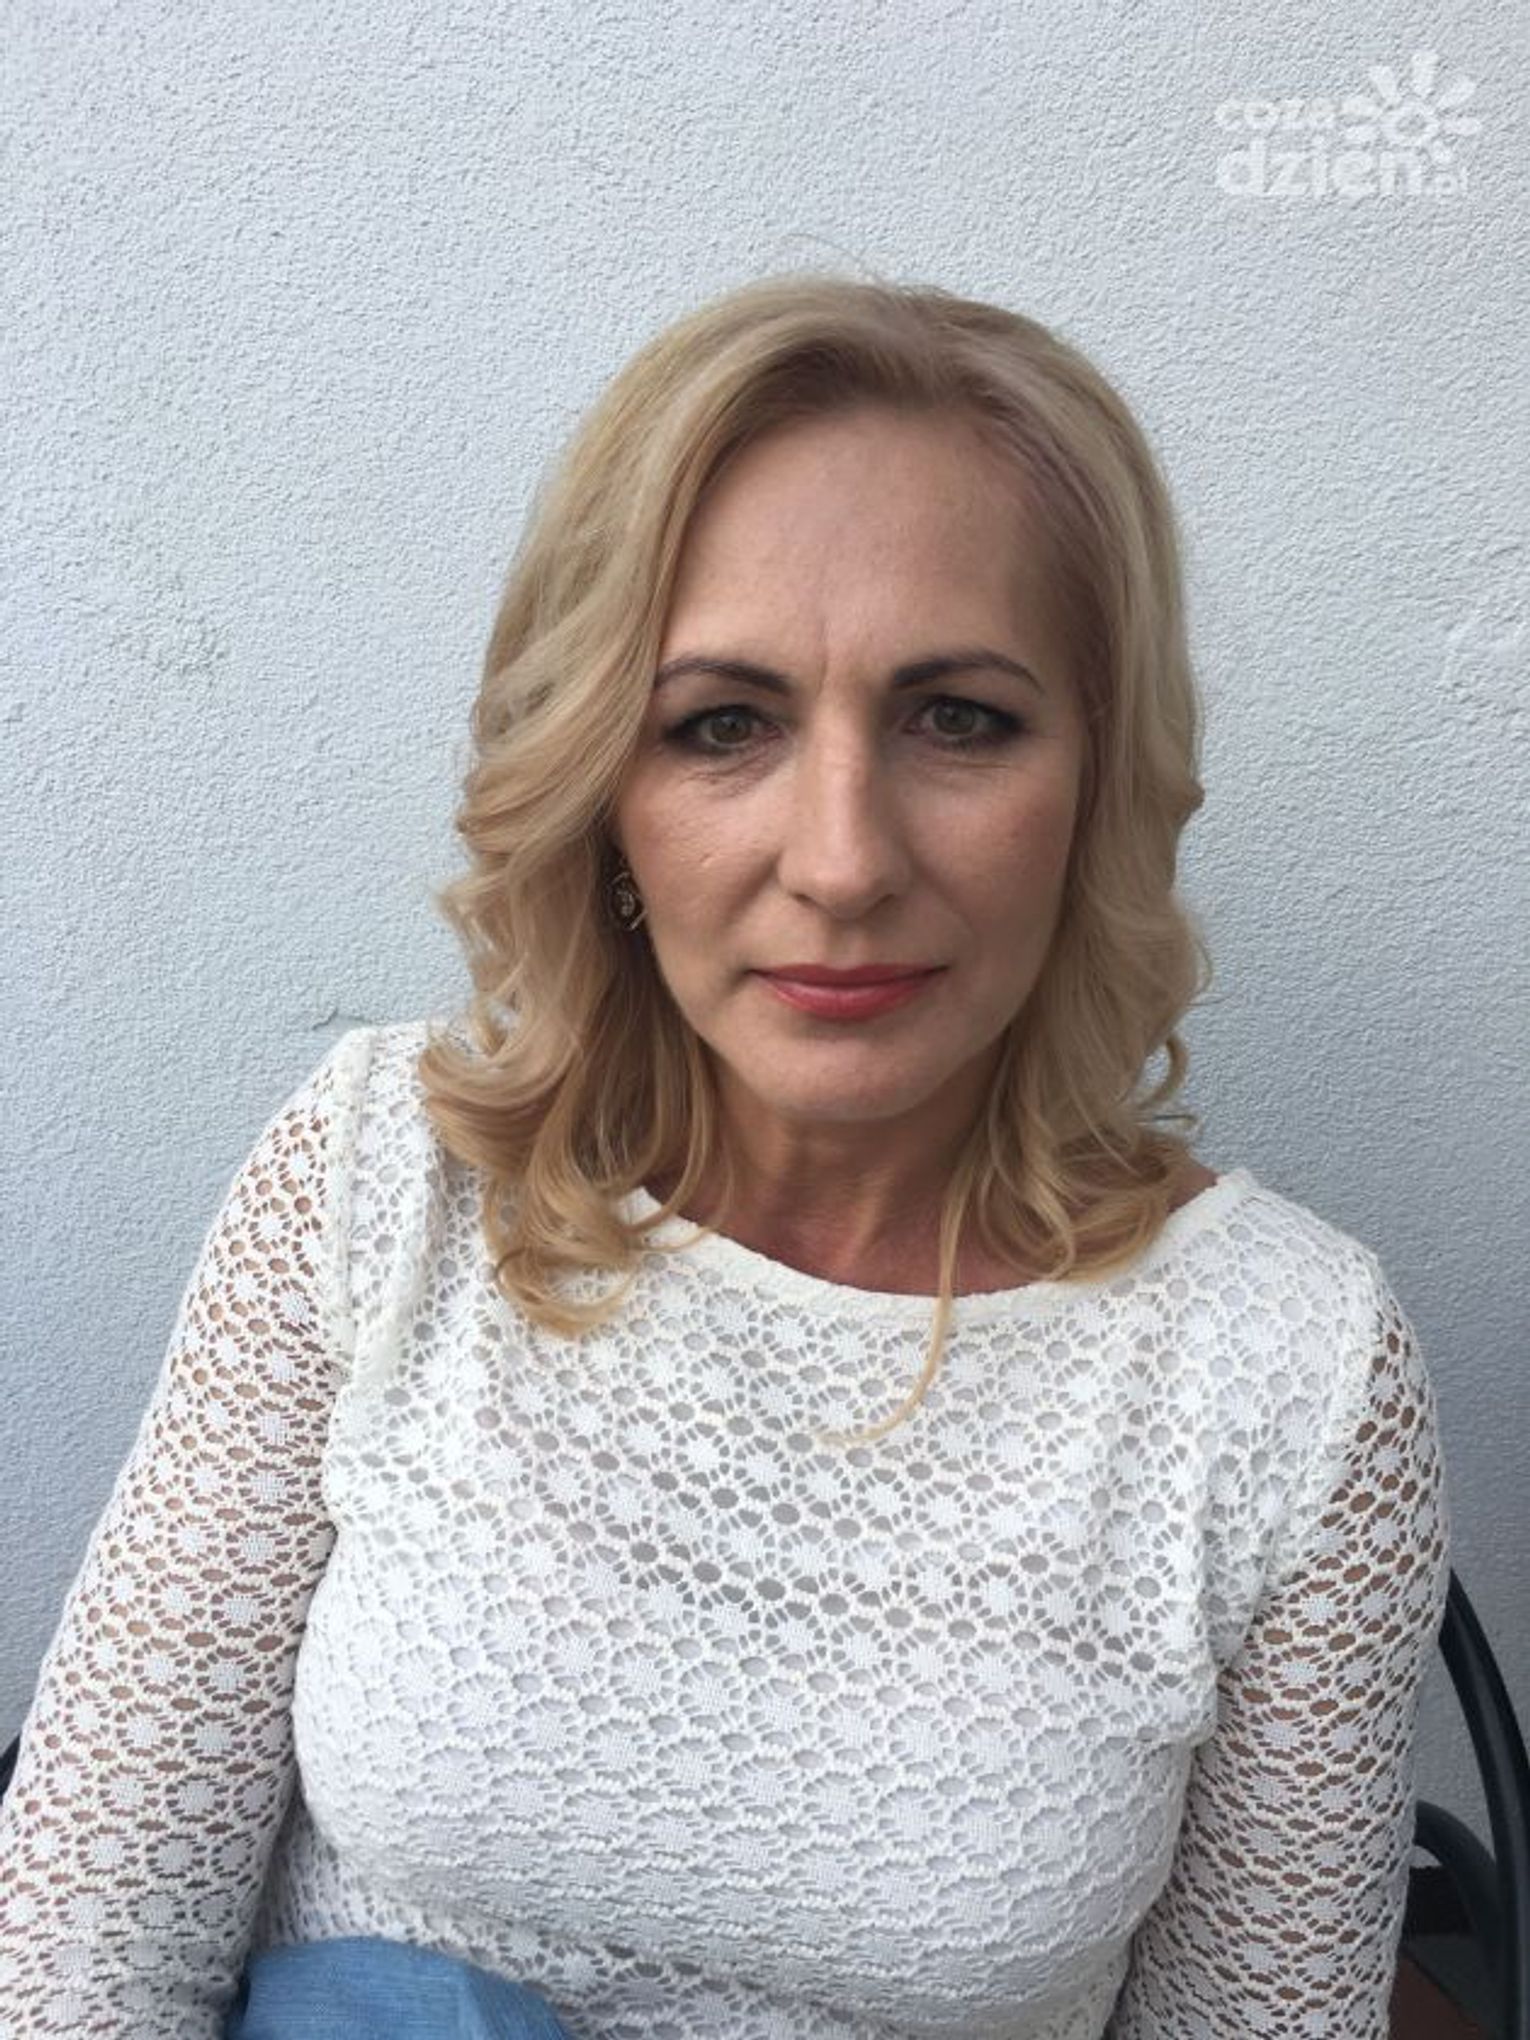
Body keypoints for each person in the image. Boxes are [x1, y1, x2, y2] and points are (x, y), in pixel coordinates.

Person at [0, 271, 1450, 2039]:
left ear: (1095, 784)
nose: (841, 862)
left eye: (958, 717)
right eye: (721, 725)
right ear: (599, 788)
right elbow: (81, 1951)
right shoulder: (386, 1178)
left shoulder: (1291, 1372)